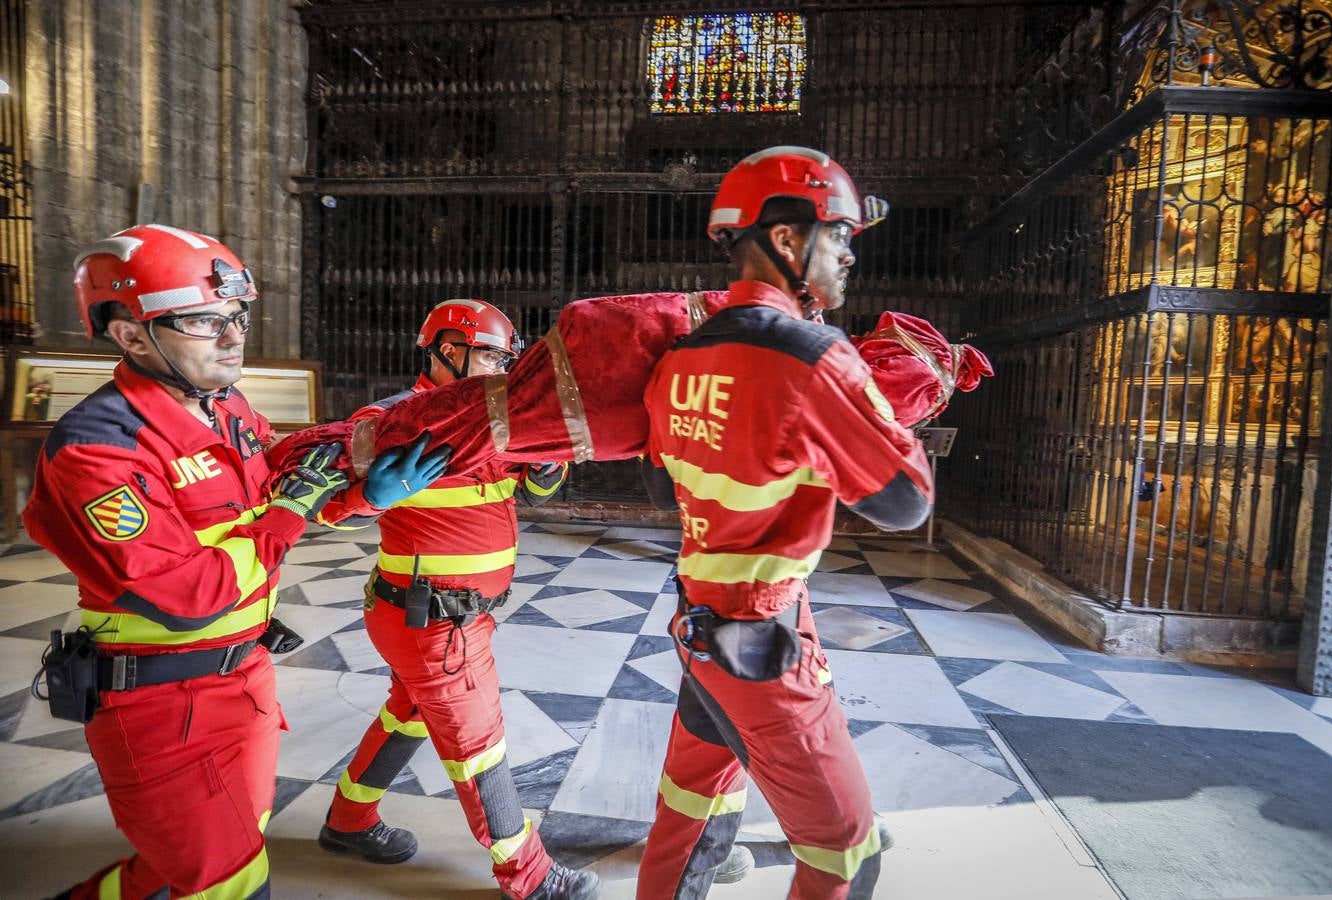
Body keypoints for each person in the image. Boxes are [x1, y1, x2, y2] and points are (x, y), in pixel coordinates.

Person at [22, 224, 418, 898]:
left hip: (242, 681)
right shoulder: (98, 447)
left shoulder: (222, 405)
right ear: (131, 335)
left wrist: (357, 491)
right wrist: (292, 512)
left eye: (236, 316)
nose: (234, 337)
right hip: (162, 704)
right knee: (225, 880)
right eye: (205, 321)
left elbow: (277, 489)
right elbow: (188, 593)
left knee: (186, 862)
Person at [635, 147, 934, 899]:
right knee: (845, 856)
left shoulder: (681, 356)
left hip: (699, 616)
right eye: (840, 237)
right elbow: (904, 503)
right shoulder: (812, 357)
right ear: (788, 239)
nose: (847, 258)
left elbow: (683, 469)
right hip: (760, 640)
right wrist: (894, 406)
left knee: (691, 808)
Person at [313, 298, 599, 900]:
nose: (502, 367)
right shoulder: (393, 419)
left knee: (410, 713)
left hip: (446, 617)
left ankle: (348, 820)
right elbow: (328, 508)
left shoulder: (494, 419)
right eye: (491, 355)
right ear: (448, 349)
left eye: (506, 357)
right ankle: (530, 875)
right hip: (434, 620)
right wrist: (376, 493)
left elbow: (538, 488)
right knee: (478, 747)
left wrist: (549, 458)